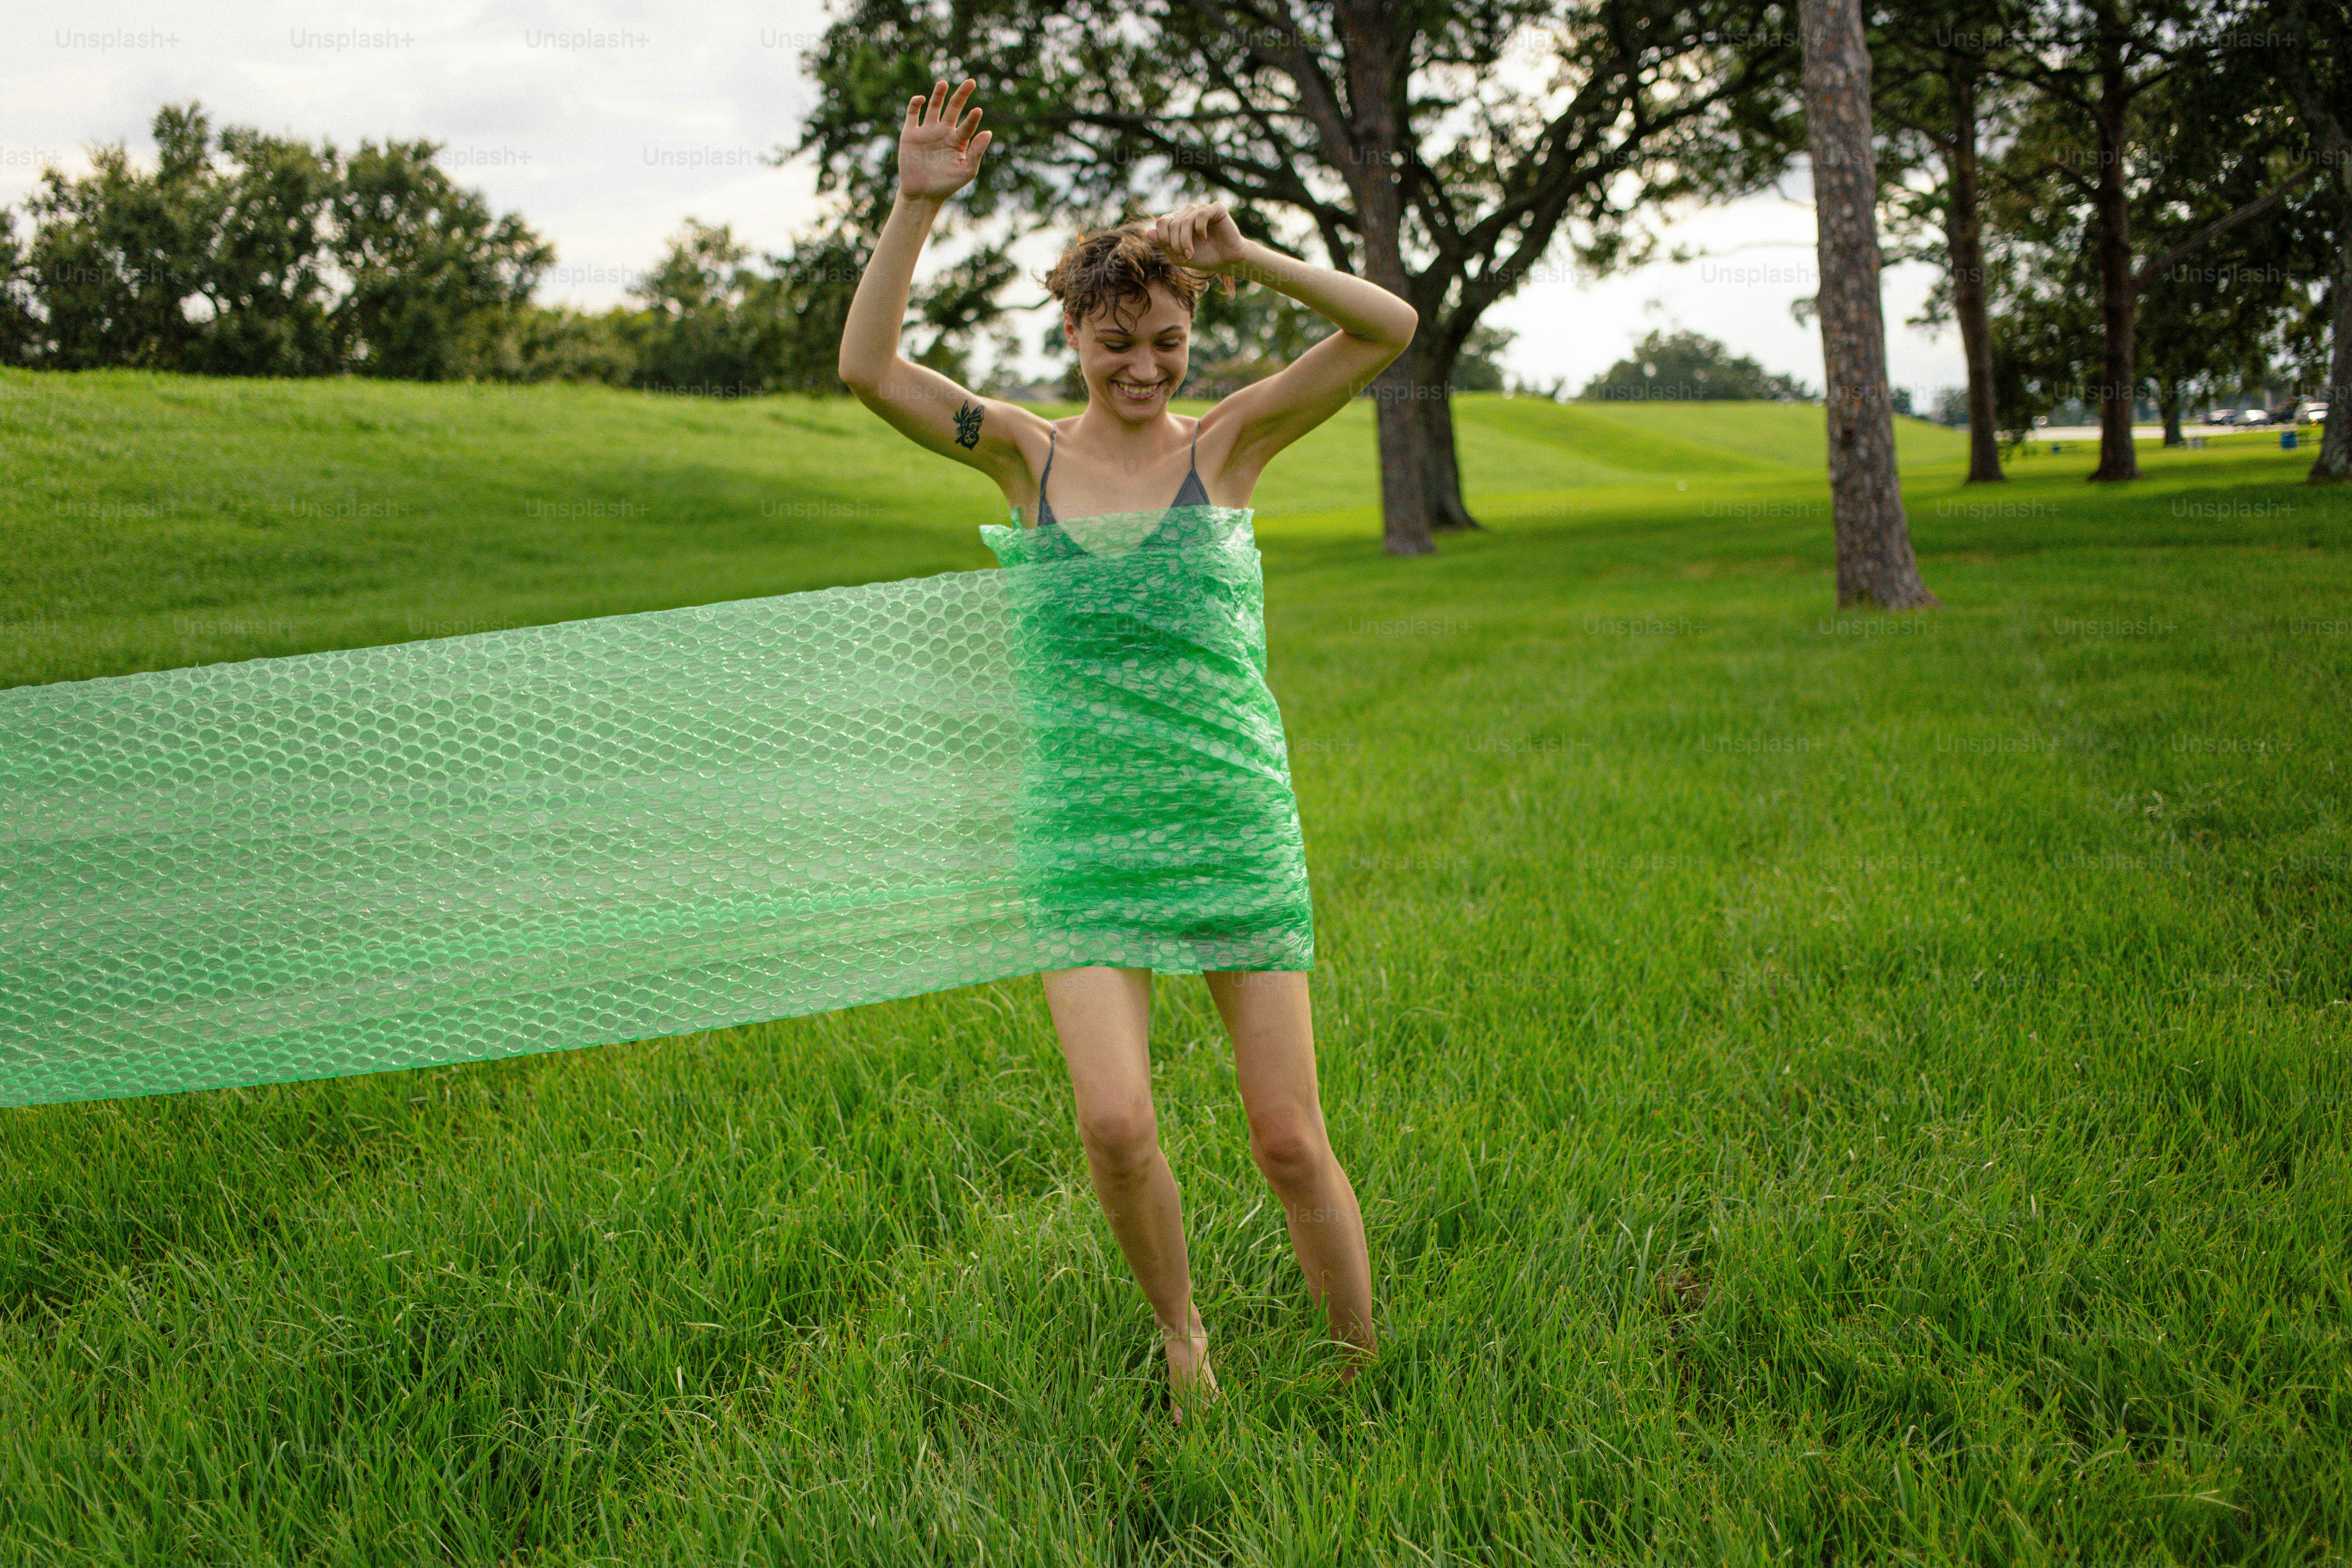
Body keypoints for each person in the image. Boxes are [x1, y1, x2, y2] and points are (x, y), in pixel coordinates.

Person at [836, 77, 1417, 1423]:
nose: (1145, 370)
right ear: (1074, 335)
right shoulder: (1021, 458)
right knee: (1115, 1125)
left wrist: (1247, 254)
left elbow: (1388, 328)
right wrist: (916, 205)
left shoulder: (1232, 442)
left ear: (1190, 333)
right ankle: (1184, 1338)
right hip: (1083, 830)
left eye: (1165, 341)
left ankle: (1359, 1367)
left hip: (1229, 819)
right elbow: (869, 373)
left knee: (1286, 1139)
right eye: (1116, 344)